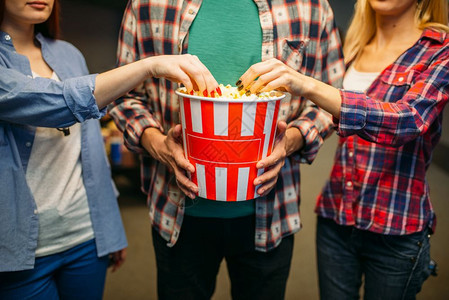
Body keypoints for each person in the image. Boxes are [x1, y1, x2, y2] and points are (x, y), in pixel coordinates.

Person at [109, 0, 344, 299]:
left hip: (271, 215)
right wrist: (159, 146)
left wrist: (291, 140)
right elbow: (123, 97)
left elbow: (331, 98)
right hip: (178, 211)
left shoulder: (311, 6)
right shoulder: (148, 4)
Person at [0, 0, 221, 299]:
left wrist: (110, 229)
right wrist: (150, 65)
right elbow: (54, 103)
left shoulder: (68, 54)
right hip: (20, 249)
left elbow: (91, 149)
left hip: (85, 238)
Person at [238, 0, 449, 298]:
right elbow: (324, 115)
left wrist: (306, 84)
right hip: (337, 218)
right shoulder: (355, 45)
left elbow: (408, 120)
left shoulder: (439, 50)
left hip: (395, 227)